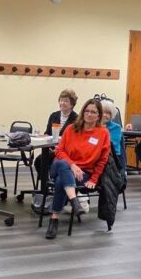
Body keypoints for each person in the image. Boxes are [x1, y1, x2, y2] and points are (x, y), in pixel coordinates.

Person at [45, 99, 111, 239]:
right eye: (87, 111)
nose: (89, 114)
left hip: (83, 173)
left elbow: (103, 160)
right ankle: (74, 200)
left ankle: (54, 218)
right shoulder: (71, 129)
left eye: (93, 112)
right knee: (63, 165)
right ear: (82, 112)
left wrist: (94, 179)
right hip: (61, 165)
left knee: (60, 181)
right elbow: (59, 151)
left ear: (99, 115)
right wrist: (73, 165)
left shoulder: (103, 133)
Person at [35, 89, 79, 179]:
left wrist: (58, 149)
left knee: (44, 160)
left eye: (66, 101)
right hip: (51, 149)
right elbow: (47, 133)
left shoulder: (76, 119)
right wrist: (45, 139)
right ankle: (45, 182)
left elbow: (75, 140)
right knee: (38, 161)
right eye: (61, 100)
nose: (62, 103)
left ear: (72, 104)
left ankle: (50, 181)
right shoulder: (53, 115)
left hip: (65, 152)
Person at [100, 99, 124, 169]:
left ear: (112, 115)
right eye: (103, 112)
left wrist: (103, 130)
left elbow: (111, 145)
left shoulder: (116, 127)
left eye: (108, 113)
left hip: (113, 157)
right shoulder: (94, 125)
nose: (105, 115)